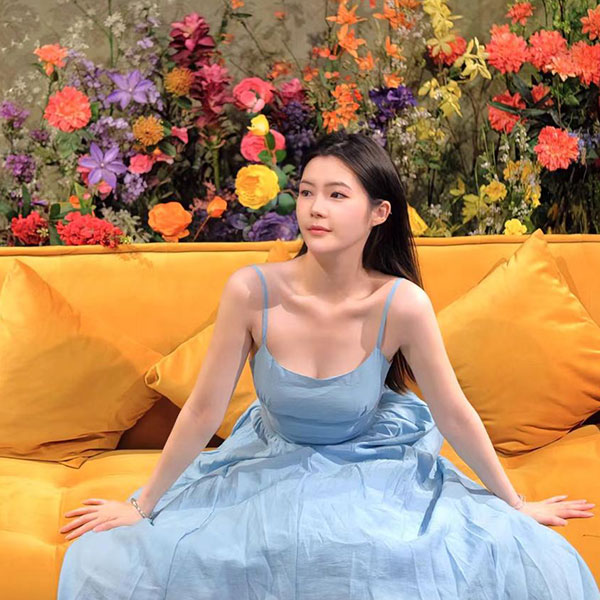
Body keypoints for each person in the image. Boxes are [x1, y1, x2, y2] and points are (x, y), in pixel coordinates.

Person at [57, 131, 599, 599]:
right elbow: (202, 410)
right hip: (272, 458)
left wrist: (516, 503)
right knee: (116, 558)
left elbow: (453, 413)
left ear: (379, 213)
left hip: (371, 462)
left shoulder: (401, 303)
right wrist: (142, 505)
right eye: (306, 192)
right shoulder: (250, 291)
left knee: (496, 555)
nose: (315, 208)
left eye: (337, 195)